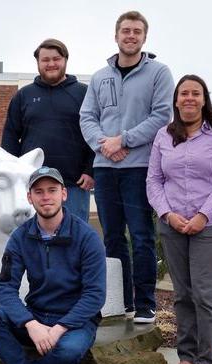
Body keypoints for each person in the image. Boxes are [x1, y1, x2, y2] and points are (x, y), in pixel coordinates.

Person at [0, 166, 106, 364]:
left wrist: (59, 328)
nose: (46, 197)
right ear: (30, 198)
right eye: (39, 191)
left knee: (69, 350)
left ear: (64, 194)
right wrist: (30, 323)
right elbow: (5, 288)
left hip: (75, 322)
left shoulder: (87, 238)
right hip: (37, 315)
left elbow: (94, 295)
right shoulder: (20, 237)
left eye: (52, 190)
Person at [80, 11, 174, 323]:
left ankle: (145, 303)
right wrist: (103, 144)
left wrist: (124, 141)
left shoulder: (159, 73)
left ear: (144, 37)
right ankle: (120, 301)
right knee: (112, 237)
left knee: (141, 235)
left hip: (139, 167)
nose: (130, 36)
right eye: (125, 31)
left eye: (136, 31)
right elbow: (87, 117)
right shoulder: (99, 77)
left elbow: (161, 116)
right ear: (116, 35)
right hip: (105, 168)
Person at [147, 75, 212, 364]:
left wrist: (203, 214)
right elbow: (154, 180)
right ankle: (186, 356)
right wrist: (167, 213)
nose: (189, 98)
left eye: (195, 93)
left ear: (204, 99)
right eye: (183, 93)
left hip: (210, 225)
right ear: (176, 100)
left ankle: (207, 362)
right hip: (172, 225)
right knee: (182, 294)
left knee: (205, 295)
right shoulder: (164, 135)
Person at [2, 39, 95, 222]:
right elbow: (10, 137)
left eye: (56, 59)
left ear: (65, 60)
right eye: (45, 60)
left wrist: (91, 170)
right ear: (38, 62)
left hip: (74, 185)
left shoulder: (84, 93)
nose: (51, 64)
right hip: (32, 185)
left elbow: (95, 134)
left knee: (73, 241)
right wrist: (11, 174)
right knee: (32, 242)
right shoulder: (23, 95)